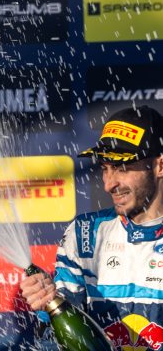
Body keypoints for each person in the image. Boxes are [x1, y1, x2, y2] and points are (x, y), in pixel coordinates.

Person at [21, 105, 163, 348]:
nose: (109, 185)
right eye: (105, 169)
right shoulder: (85, 233)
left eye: (122, 168)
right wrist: (48, 305)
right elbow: (56, 341)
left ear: (159, 166)